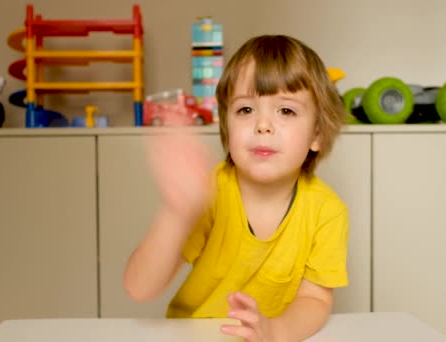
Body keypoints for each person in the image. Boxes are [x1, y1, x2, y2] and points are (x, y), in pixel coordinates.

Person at [123, 34, 349, 342]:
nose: (263, 125)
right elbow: (139, 287)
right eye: (246, 110)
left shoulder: (327, 211)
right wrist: (177, 212)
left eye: (286, 111)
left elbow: (316, 300)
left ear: (317, 135)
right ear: (227, 131)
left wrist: (275, 331)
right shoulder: (210, 191)